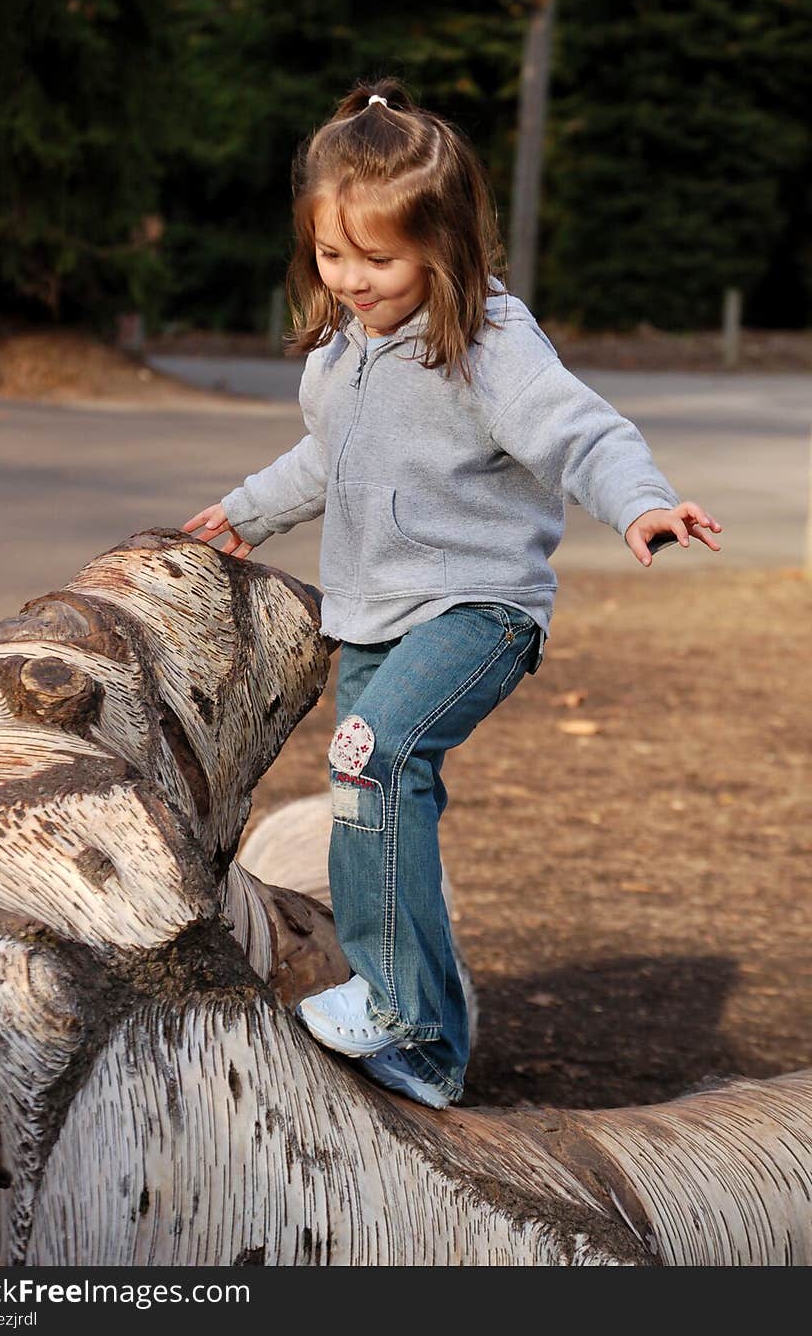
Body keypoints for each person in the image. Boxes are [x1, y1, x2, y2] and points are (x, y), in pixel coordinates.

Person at [182, 78, 722, 1110]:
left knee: (372, 755)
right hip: (377, 617)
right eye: (331, 256)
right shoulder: (343, 354)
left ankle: (404, 1012)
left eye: (378, 260)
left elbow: (583, 430)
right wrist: (246, 511)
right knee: (369, 790)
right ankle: (434, 1044)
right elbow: (326, 459)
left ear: (447, 244)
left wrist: (642, 501)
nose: (350, 279)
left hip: (480, 606)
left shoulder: (487, 341)